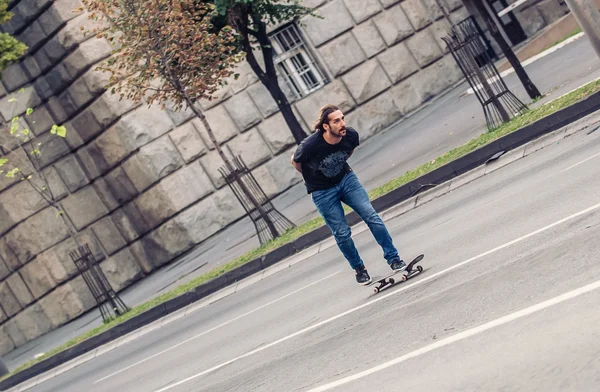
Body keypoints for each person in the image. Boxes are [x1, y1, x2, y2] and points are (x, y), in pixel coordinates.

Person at [290, 104, 406, 285]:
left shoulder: (350, 136)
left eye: (343, 118)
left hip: (347, 180)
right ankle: (359, 268)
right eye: (336, 121)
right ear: (326, 126)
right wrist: (314, 178)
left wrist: (336, 166)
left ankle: (394, 258)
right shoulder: (310, 145)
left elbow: (347, 152)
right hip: (322, 192)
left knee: (371, 216)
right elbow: (295, 162)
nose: (342, 123)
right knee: (342, 233)